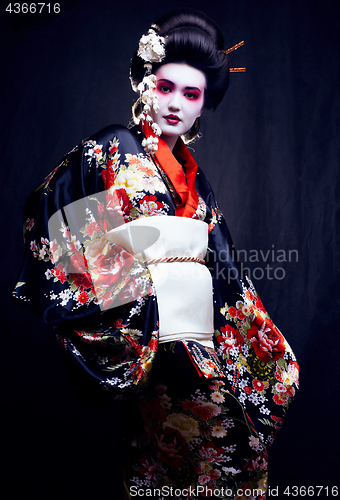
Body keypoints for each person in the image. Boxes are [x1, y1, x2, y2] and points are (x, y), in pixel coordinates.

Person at [13, 8, 299, 500]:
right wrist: (130, 301)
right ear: (143, 83)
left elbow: (224, 271)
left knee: (237, 457)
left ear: (204, 105)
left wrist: (258, 350)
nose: (176, 105)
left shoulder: (194, 178)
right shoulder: (111, 148)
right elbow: (54, 212)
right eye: (165, 87)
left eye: (191, 95)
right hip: (153, 348)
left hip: (204, 354)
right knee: (167, 464)